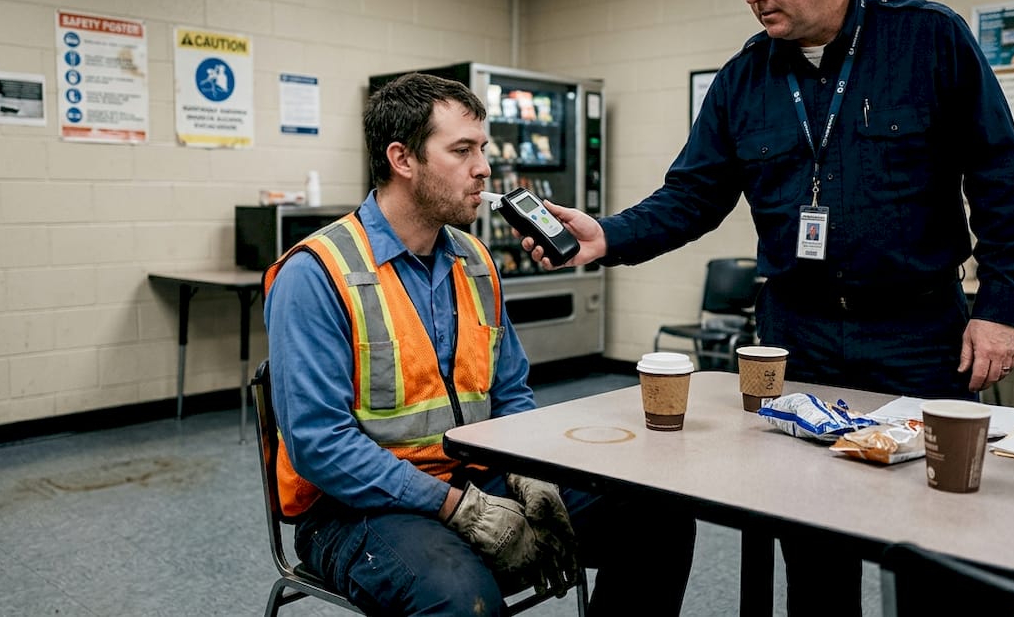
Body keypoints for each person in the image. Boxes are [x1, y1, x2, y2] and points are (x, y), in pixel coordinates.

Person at [520, 0, 1014, 614]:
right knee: (813, 544)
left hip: (919, 334)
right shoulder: (745, 78)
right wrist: (609, 235)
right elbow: (692, 195)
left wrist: (1000, 307)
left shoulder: (929, 39)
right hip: (799, 337)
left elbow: (1000, 181)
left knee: (938, 548)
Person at [264, 72, 695, 616]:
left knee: (656, 511)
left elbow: (510, 389)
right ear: (403, 159)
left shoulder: (474, 260)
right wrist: (453, 507)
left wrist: (528, 471)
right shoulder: (317, 274)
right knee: (463, 601)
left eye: (483, 148)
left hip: (476, 475)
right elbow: (320, 445)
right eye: (462, 150)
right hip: (354, 506)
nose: (485, 167)